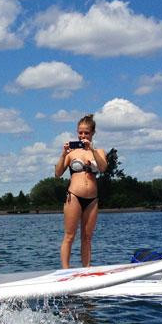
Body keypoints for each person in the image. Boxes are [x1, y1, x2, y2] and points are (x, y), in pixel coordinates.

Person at [53, 113, 108, 268]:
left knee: (87, 237)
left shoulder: (100, 152)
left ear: (93, 133)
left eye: (86, 133)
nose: (83, 135)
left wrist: (93, 151)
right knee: (70, 235)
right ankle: (65, 270)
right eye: (80, 132)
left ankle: (87, 268)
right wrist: (63, 154)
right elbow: (57, 173)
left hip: (92, 199)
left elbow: (103, 168)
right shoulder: (72, 152)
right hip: (74, 196)